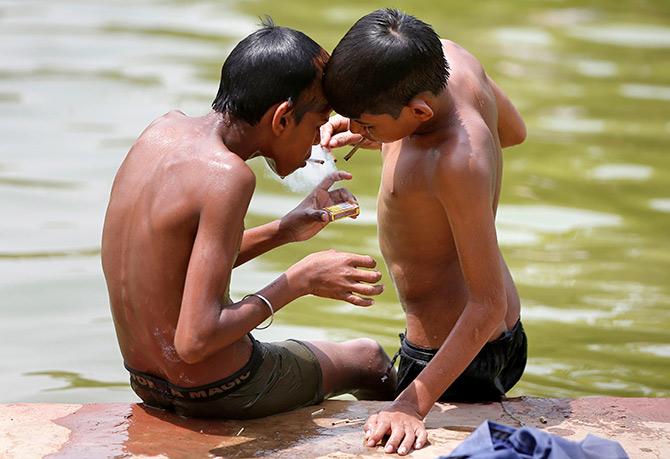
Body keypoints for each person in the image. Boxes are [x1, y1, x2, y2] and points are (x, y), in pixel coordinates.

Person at [101, 20, 396, 420]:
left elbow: (171, 265)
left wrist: (283, 230)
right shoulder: (229, 176)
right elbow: (195, 340)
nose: (318, 139)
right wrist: (299, 280)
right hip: (220, 387)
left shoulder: (162, 130)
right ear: (282, 119)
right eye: (316, 122)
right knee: (369, 359)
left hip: (146, 382)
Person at [320, 9, 528, 455]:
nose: (358, 130)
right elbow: (513, 131)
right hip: (488, 336)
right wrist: (381, 133)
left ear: (419, 110)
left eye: (368, 123)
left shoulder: (455, 162)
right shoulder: (453, 59)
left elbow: (487, 304)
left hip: (457, 354)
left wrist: (410, 408)